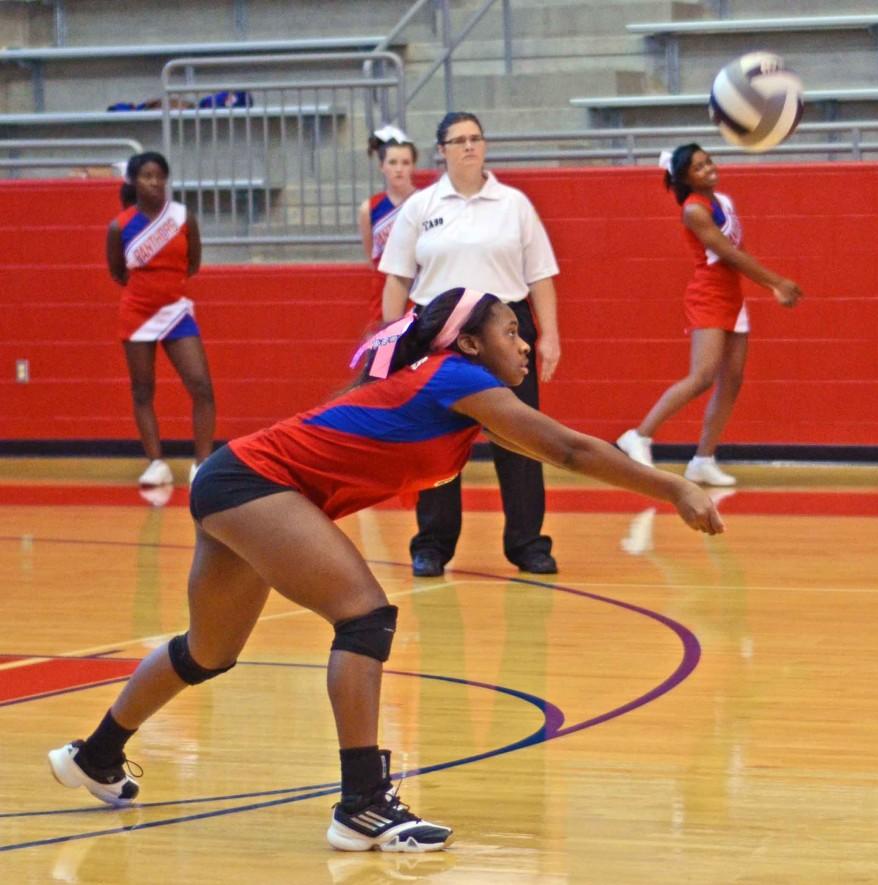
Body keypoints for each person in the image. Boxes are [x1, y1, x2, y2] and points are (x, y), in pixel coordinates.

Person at [48, 288, 724, 853]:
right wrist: (676, 488)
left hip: (238, 478)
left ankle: (96, 754)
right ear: (467, 345)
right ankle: (362, 803)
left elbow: (554, 449)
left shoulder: (467, 398)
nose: (524, 344)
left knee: (209, 650)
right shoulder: (458, 380)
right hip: (249, 482)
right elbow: (571, 449)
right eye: (512, 330)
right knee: (364, 615)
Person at [378, 111, 562, 577]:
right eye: (458, 140)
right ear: (441, 150)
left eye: (475, 138)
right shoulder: (421, 206)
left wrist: (550, 337)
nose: (468, 146)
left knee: (519, 436)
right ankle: (433, 546)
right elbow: (398, 278)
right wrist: (391, 342)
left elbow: (540, 276)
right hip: (438, 330)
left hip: (504, 328)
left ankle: (528, 544)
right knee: (435, 439)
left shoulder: (514, 203)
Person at [617, 144, 803, 486]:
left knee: (731, 380)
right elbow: (727, 254)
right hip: (709, 295)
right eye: (699, 167)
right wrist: (775, 281)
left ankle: (703, 459)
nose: (709, 169)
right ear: (686, 178)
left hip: (733, 295)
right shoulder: (694, 210)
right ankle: (639, 435)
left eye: (709, 162)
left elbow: (739, 250)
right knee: (702, 375)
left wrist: (768, 285)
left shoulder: (725, 202)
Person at [107, 151, 216, 488]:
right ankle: (156, 463)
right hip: (137, 313)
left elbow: (193, 263)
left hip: (176, 311)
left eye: (159, 176)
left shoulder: (183, 217)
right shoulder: (120, 226)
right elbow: (118, 272)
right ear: (134, 182)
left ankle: (203, 463)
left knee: (201, 385)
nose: (154, 182)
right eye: (146, 176)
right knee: (142, 390)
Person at [357, 125, 418, 327]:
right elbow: (371, 256)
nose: (399, 168)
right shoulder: (369, 208)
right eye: (392, 162)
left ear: (413, 166)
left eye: (405, 162)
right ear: (381, 166)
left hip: (418, 284)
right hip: (383, 288)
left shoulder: (425, 202)